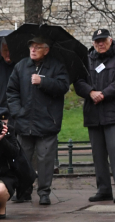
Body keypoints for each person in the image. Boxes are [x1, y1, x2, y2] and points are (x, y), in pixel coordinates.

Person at [6, 36, 70, 206]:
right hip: (24, 122)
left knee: (45, 160)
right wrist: (17, 112)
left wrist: (43, 81)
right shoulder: (21, 66)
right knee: (22, 160)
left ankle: (44, 192)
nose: (33, 50)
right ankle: (23, 191)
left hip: (47, 122)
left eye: (37, 47)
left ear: (46, 50)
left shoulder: (56, 66)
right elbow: (11, 91)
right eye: (31, 47)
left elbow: (63, 86)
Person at [74, 29, 115, 203]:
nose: (100, 44)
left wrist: (104, 94)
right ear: (93, 43)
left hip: (114, 113)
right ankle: (104, 189)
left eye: (103, 40)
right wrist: (90, 92)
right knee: (98, 154)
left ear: (110, 40)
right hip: (93, 114)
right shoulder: (86, 60)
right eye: (97, 41)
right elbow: (78, 81)